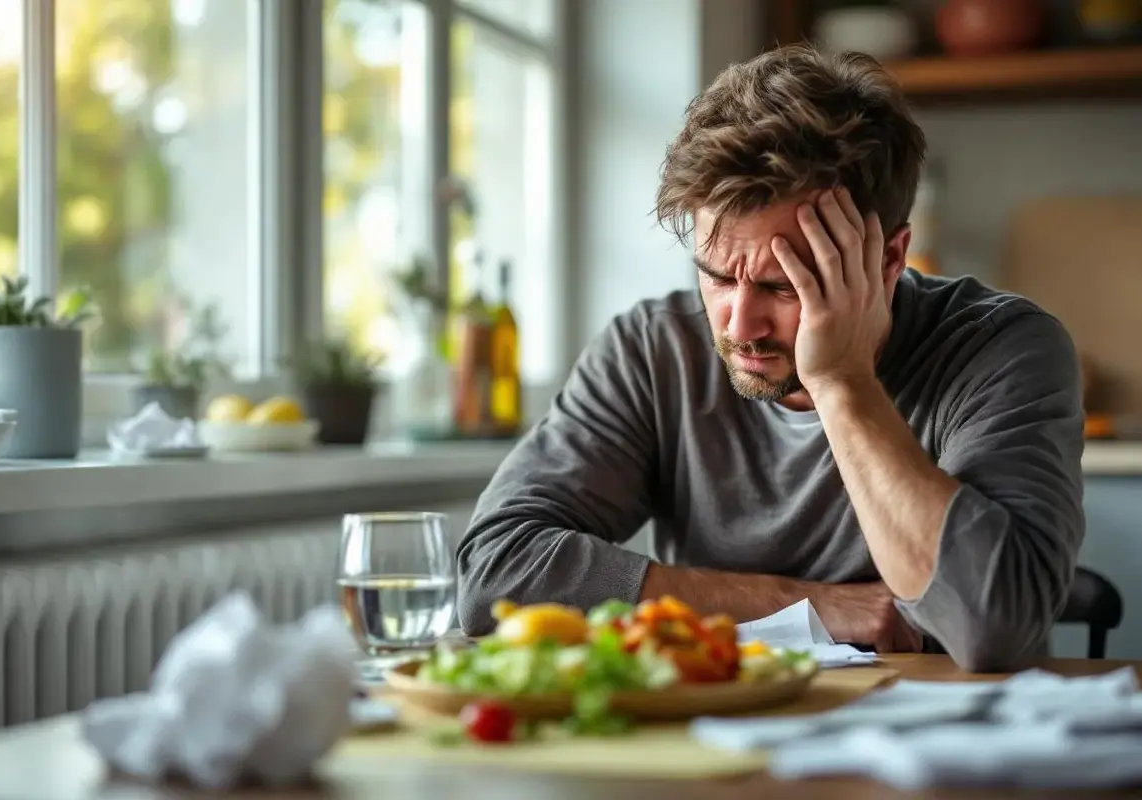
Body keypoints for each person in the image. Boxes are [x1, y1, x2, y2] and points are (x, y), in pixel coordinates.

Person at [455, 45, 1085, 672]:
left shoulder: (1001, 348)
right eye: (717, 276)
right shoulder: (651, 351)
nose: (739, 324)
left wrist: (842, 383)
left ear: (889, 259)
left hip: (945, 748)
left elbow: (994, 625)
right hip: (718, 740)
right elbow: (495, 572)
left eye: (786, 286)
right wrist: (805, 608)